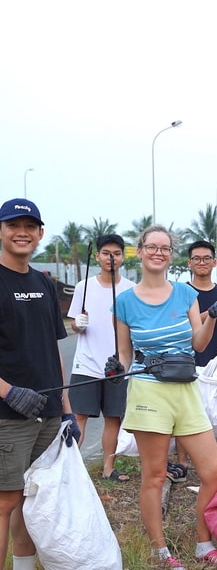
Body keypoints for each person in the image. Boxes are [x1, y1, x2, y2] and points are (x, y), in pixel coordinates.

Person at [106, 226, 217, 568]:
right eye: (151, 247)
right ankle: (160, 551)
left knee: (214, 472)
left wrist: (214, 316)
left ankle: (204, 544)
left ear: (170, 254)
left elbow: (199, 344)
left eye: (164, 248)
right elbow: (124, 355)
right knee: (156, 475)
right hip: (148, 391)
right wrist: (116, 368)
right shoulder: (125, 301)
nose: (158, 252)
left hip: (187, 389)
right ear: (141, 251)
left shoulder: (185, 294)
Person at [0, 198, 80, 570]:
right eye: (14, 225)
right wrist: (9, 392)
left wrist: (66, 411)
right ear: (1, 231)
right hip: (7, 415)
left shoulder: (44, 284)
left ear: (40, 233)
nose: (22, 232)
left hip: (48, 413)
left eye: (29, 226)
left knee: (35, 498)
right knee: (5, 501)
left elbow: (54, 351)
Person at [167, 240, 217, 478]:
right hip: (187, 363)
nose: (202, 262)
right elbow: (178, 325)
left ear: (214, 262)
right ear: (189, 262)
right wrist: (209, 313)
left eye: (207, 258)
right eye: (197, 258)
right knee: (184, 416)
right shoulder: (179, 293)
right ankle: (183, 464)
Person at [68, 233, 135, 482]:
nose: (111, 258)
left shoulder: (130, 289)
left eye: (116, 254)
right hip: (86, 363)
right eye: (106, 253)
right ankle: (72, 472)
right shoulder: (83, 287)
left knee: (113, 417)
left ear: (122, 258)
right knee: (79, 417)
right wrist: (79, 324)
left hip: (118, 367)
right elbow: (75, 322)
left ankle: (109, 468)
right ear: (97, 256)